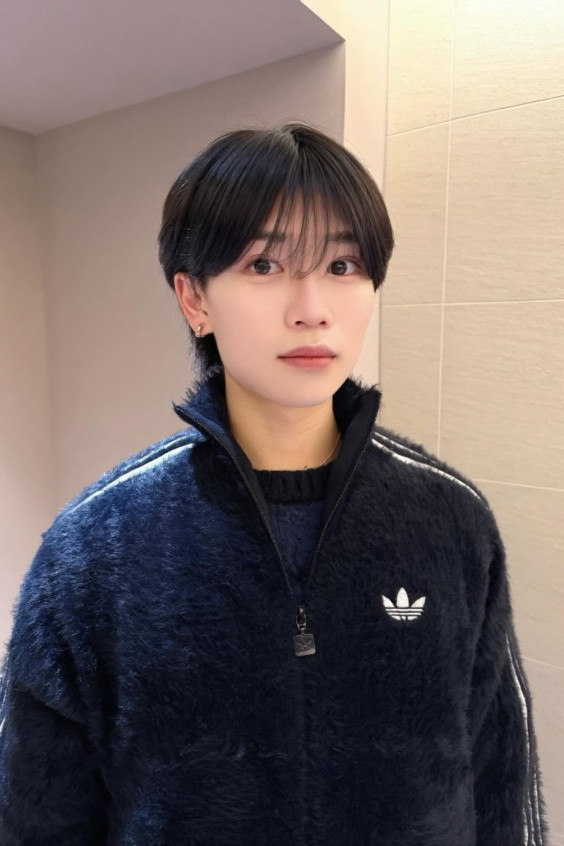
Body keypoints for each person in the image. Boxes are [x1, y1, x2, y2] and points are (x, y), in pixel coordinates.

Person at [0, 122, 549, 845]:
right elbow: (34, 817)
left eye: (343, 265)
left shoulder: (451, 520)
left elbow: (503, 785)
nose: (312, 307)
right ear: (194, 299)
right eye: (264, 264)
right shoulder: (96, 548)